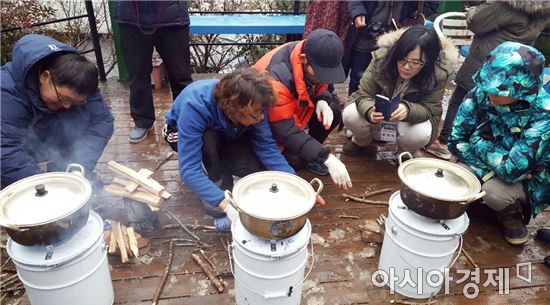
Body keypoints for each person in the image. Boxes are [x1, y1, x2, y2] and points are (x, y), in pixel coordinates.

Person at [164, 67, 296, 232]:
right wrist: (225, 204)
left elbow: (267, 146)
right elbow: (189, 170)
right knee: (208, 140)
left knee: (252, 169)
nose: (261, 117)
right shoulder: (195, 106)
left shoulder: (255, 105)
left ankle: (221, 165)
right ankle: (214, 181)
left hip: (227, 130)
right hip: (179, 131)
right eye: (257, 115)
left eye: (262, 112)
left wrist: (294, 183)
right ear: (236, 110)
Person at [448, 42, 550, 245]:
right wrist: (491, 161)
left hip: (530, 179)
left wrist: (476, 141)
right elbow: (455, 140)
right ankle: (479, 199)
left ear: (524, 89)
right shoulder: (483, 92)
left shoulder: (543, 114)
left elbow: (513, 170)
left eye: (501, 91)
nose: (491, 95)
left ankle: (512, 214)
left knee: (495, 192)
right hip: (496, 164)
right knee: (457, 174)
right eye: (488, 86)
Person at [426, 1, 550, 159]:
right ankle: (484, 147)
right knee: (496, 111)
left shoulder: (507, 4)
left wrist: (472, 11)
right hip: (516, 67)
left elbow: (477, 21)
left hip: (489, 62)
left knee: (460, 100)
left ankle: (443, 142)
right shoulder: (544, 8)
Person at [1, 34, 114, 188]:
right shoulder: (7, 93)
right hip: (18, 144)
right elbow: (6, 150)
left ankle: (62, 167)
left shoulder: (80, 78)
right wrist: (45, 187)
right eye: (63, 98)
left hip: (50, 136)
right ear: (45, 77)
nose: (68, 106)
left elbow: (102, 122)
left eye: (75, 101)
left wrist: (77, 167)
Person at [253, 29, 352, 190]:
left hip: (294, 110)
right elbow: (285, 130)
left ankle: (311, 155)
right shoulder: (275, 80)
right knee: (296, 161)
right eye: (320, 73)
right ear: (304, 59)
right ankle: (311, 156)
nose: (323, 77)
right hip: (266, 124)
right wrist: (325, 157)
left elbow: (323, 84)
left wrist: (322, 99)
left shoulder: (312, 55)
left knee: (333, 111)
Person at [342, 26, 458, 156]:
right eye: (402, 60)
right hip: (379, 115)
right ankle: (361, 141)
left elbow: (431, 109)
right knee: (350, 114)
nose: (407, 67)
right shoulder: (381, 59)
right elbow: (363, 94)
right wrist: (370, 111)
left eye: (416, 62)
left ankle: (406, 152)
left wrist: (408, 110)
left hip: (408, 120)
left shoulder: (438, 73)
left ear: (429, 62)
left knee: (420, 133)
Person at [112, 1, 193, 143]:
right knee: (137, 74)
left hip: (172, 16)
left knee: (181, 75)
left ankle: (186, 119)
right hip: (130, 17)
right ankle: (142, 121)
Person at [345, 1, 439, 96]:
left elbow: (431, 5)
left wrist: (414, 15)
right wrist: (358, 10)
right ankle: (358, 105)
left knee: (389, 81)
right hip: (366, 35)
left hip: (398, 39)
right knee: (358, 80)